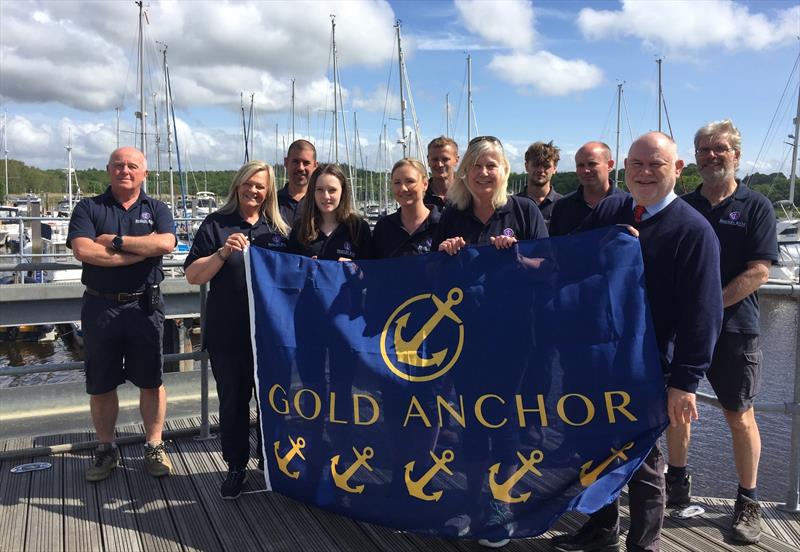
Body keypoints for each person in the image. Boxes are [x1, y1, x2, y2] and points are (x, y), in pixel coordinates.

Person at [551, 132, 723, 552]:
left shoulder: (693, 231)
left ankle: (644, 544)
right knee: (592, 447)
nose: (644, 173)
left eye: (656, 164)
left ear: (678, 170)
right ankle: (602, 528)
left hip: (648, 367)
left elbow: (704, 314)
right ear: (624, 168)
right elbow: (570, 259)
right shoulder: (613, 208)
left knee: (643, 463)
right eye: (637, 165)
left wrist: (685, 381)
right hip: (596, 358)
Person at [433, 135, 548, 548]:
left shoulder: (524, 210)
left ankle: (501, 504)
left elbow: (548, 268)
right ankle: (473, 497)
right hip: (464, 339)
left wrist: (518, 258)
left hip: (512, 338)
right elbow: (435, 277)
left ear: (504, 171)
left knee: (502, 420)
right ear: (465, 170)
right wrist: (444, 253)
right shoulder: (453, 214)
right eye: (477, 165)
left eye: (492, 165)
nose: (484, 172)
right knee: (469, 421)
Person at [666, 120, 777, 543]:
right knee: (676, 406)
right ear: (694, 157)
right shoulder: (683, 205)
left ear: (736, 155)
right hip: (683, 330)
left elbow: (759, 272)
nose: (712, 156)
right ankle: (677, 482)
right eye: (704, 150)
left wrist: (706, 309)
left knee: (739, 415)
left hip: (735, 330)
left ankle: (748, 501)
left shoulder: (756, 206)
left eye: (720, 149)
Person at [67, 146, 176, 482]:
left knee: (152, 380)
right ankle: (106, 448)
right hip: (101, 306)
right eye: (118, 165)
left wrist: (115, 242)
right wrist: (137, 251)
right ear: (108, 169)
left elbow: (166, 244)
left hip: (144, 306)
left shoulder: (156, 208)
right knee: (100, 383)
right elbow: (83, 250)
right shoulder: (89, 207)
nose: (125, 170)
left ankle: (154, 445)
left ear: (144, 172)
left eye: (132, 166)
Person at [184, 161, 290, 499]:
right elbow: (193, 275)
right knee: (233, 404)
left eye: (260, 185)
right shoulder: (216, 223)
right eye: (248, 184)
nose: (253, 190)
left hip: (270, 335)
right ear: (237, 185)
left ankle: (271, 461)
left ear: (268, 190)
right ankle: (235, 466)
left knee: (272, 403)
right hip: (228, 333)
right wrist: (222, 251)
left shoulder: (278, 228)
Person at [288, 163, 371, 259]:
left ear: (342, 192)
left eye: (332, 190)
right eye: (320, 189)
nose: (326, 196)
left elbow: (370, 270)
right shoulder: (300, 228)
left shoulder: (359, 228)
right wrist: (306, 267)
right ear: (312, 192)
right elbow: (290, 269)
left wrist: (353, 267)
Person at [371, 157, 440, 257]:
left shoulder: (442, 224)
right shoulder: (383, 227)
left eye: (410, 181)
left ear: (425, 184)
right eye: (397, 183)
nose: (403, 188)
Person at [549, 141, 621, 236]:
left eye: (592, 164)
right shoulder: (562, 207)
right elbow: (553, 247)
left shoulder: (628, 206)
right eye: (580, 165)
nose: (586, 170)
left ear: (610, 165)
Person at [516, 141, 562, 226]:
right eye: (536, 164)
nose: (540, 170)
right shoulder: (513, 205)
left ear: (555, 168)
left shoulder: (564, 206)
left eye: (546, 166)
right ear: (526, 166)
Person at [278, 139, 318, 226]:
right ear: (286, 162)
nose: (300, 168)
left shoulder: (320, 202)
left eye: (306, 163)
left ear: (315, 166)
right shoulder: (272, 202)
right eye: (295, 162)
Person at [425, 136, 460, 211]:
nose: (440, 164)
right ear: (428, 160)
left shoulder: (468, 193)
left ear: (456, 160)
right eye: (435, 159)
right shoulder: (420, 194)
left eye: (445, 159)